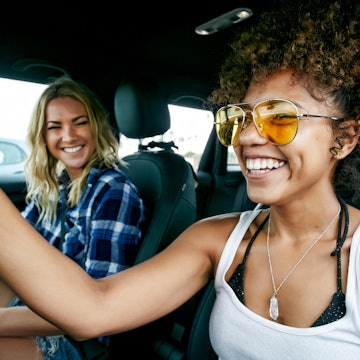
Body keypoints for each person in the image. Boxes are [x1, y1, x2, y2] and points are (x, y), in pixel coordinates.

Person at [0, 0, 359, 358]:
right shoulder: (217, 239)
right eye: (238, 118)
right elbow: (96, 306)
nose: (246, 138)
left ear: (343, 139)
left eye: (279, 117)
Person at [0, 76, 144, 359]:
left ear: (97, 126)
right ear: (43, 136)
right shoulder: (55, 188)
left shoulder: (114, 190)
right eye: (55, 127)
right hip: (32, 311)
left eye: (79, 122)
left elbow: (97, 307)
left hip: (73, 338)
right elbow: (13, 253)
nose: (68, 136)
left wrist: (2, 320)